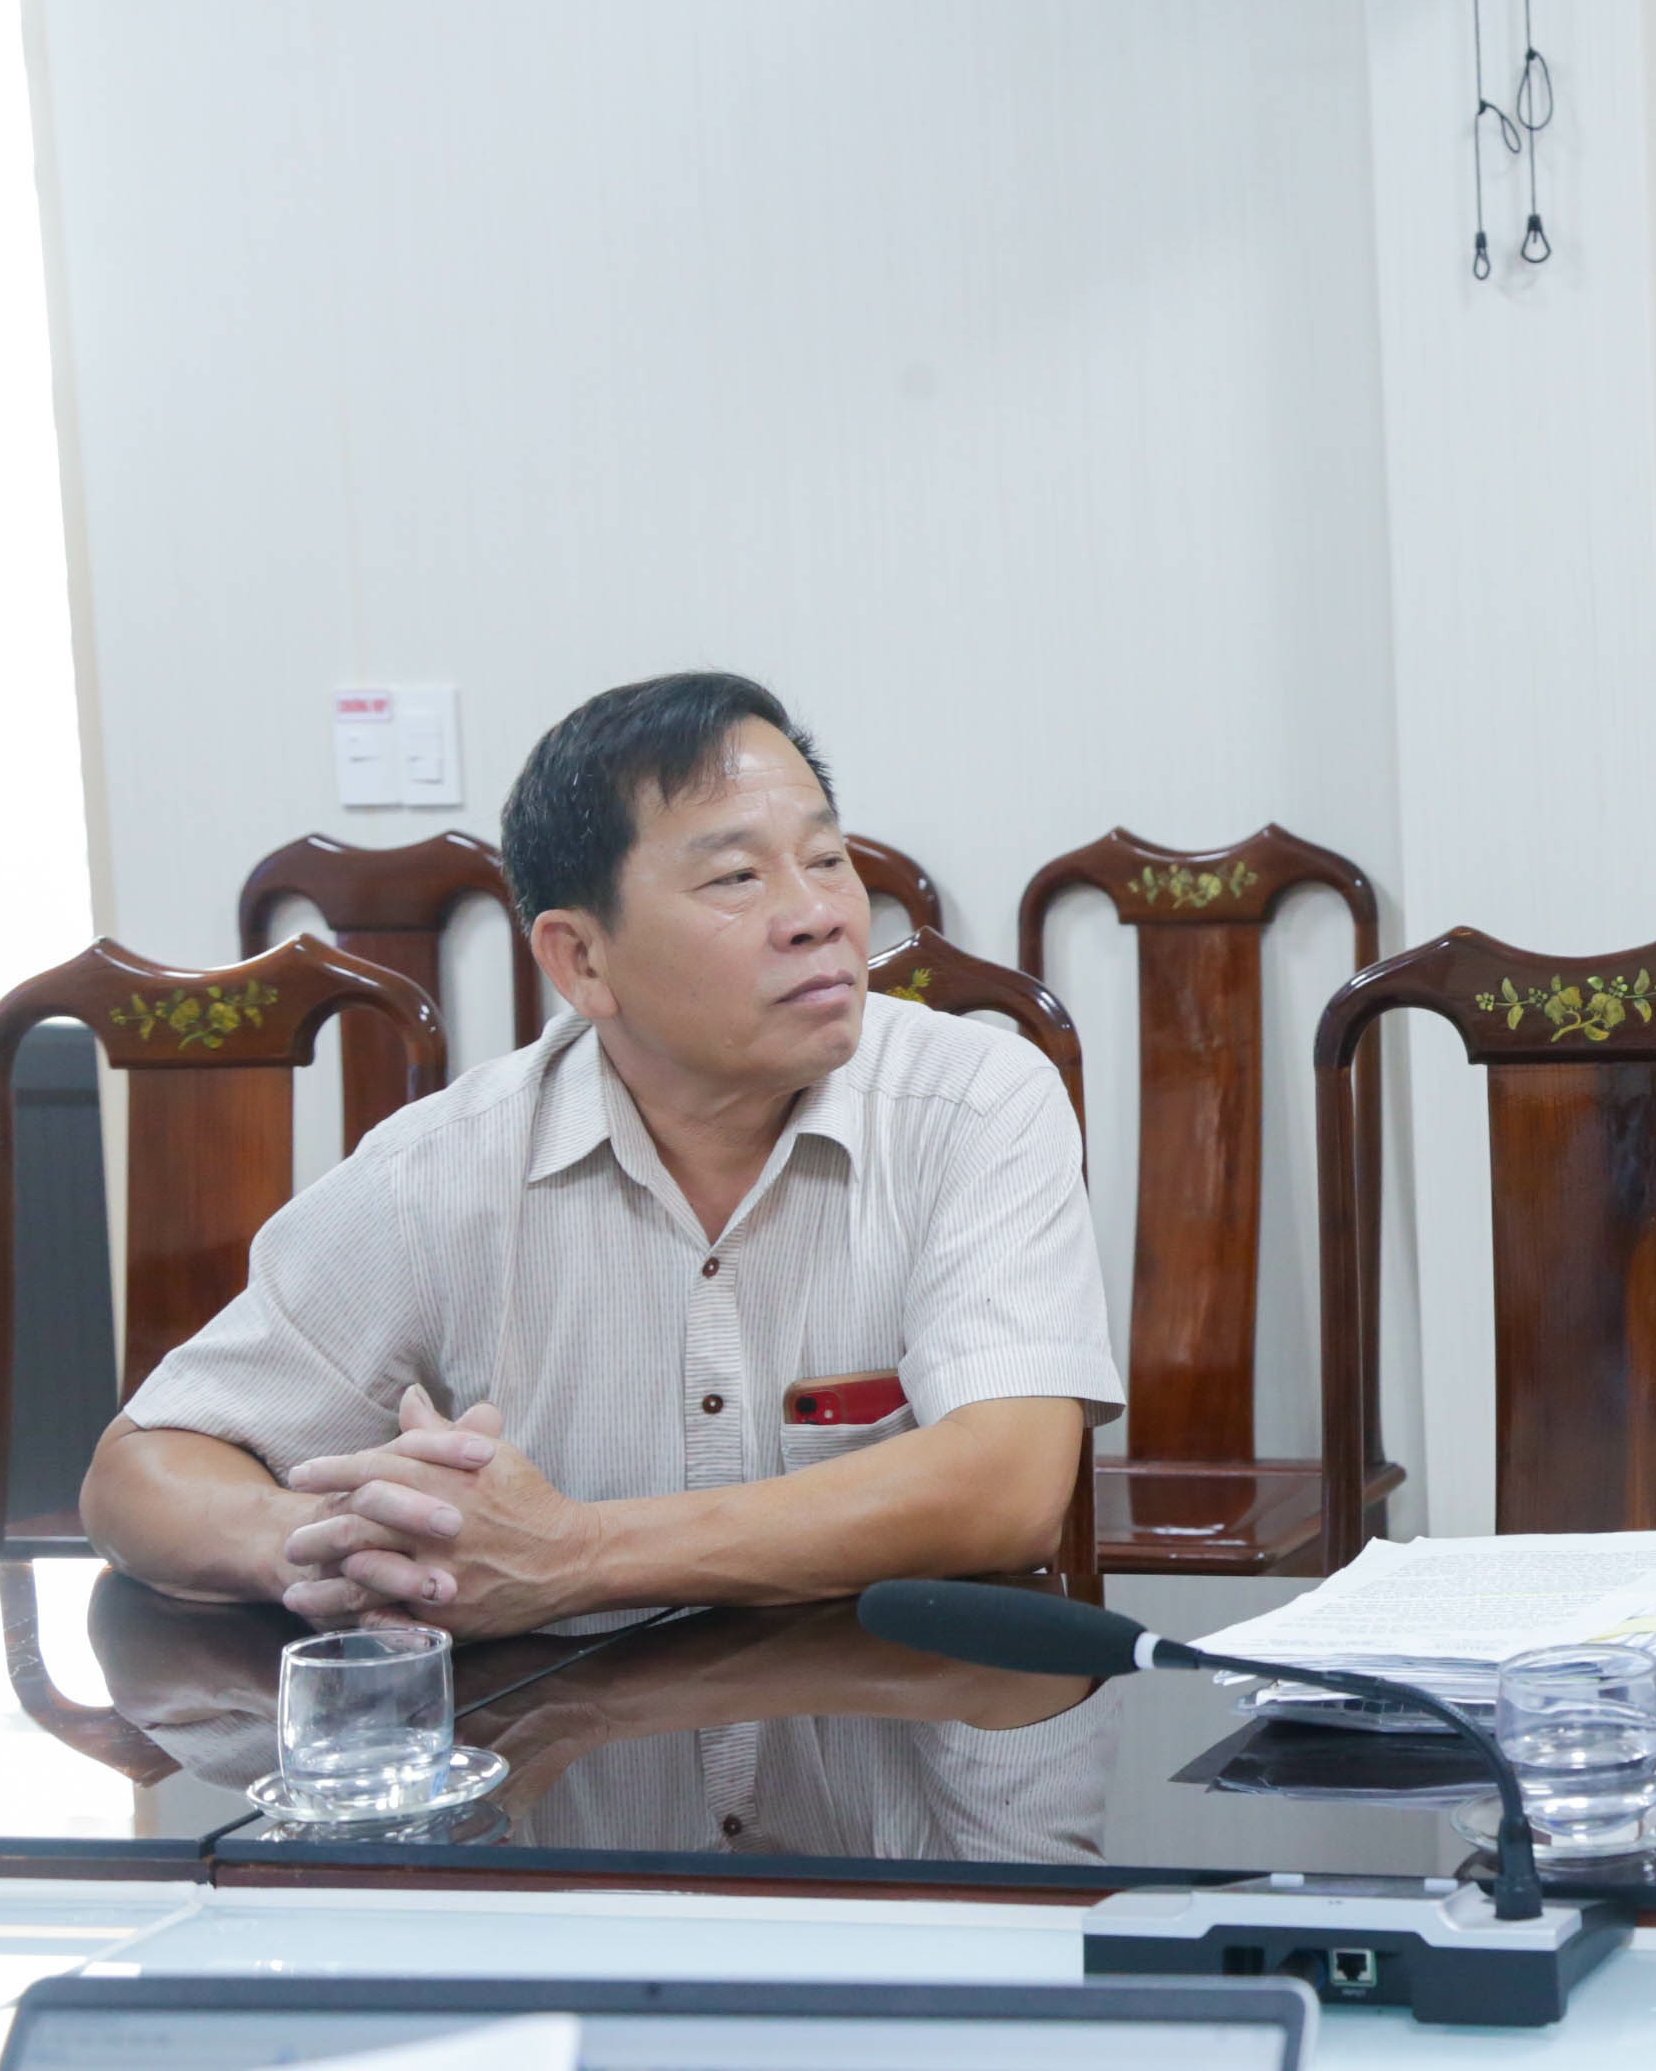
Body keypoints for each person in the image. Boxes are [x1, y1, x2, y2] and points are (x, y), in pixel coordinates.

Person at [79, 673, 1122, 1637]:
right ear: (580, 958)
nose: (816, 916)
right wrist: (334, 1544)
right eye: (736, 876)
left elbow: (1010, 1485)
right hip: (567, 1750)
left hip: (904, 1742)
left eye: (827, 859)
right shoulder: (446, 1167)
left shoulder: (974, 1100)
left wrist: (573, 1555)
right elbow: (142, 1473)